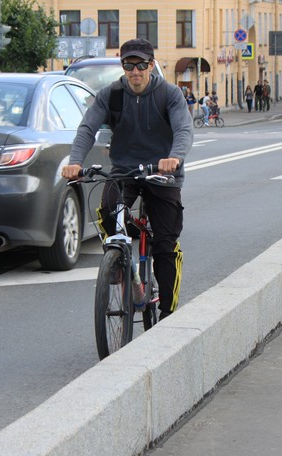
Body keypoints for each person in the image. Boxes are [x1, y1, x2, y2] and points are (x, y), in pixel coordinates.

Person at [62, 38, 192, 321]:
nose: (135, 71)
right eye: (129, 65)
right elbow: (87, 129)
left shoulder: (169, 95)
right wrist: (75, 162)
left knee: (165, 246)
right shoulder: (112, 95)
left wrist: (174, 157)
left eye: (141, 65)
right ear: (122, 66)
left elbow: (183, 129)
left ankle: (168, 311)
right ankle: (119, 262)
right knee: (108, 211)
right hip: (125, 171)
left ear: (151, 65)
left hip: (163, 174)